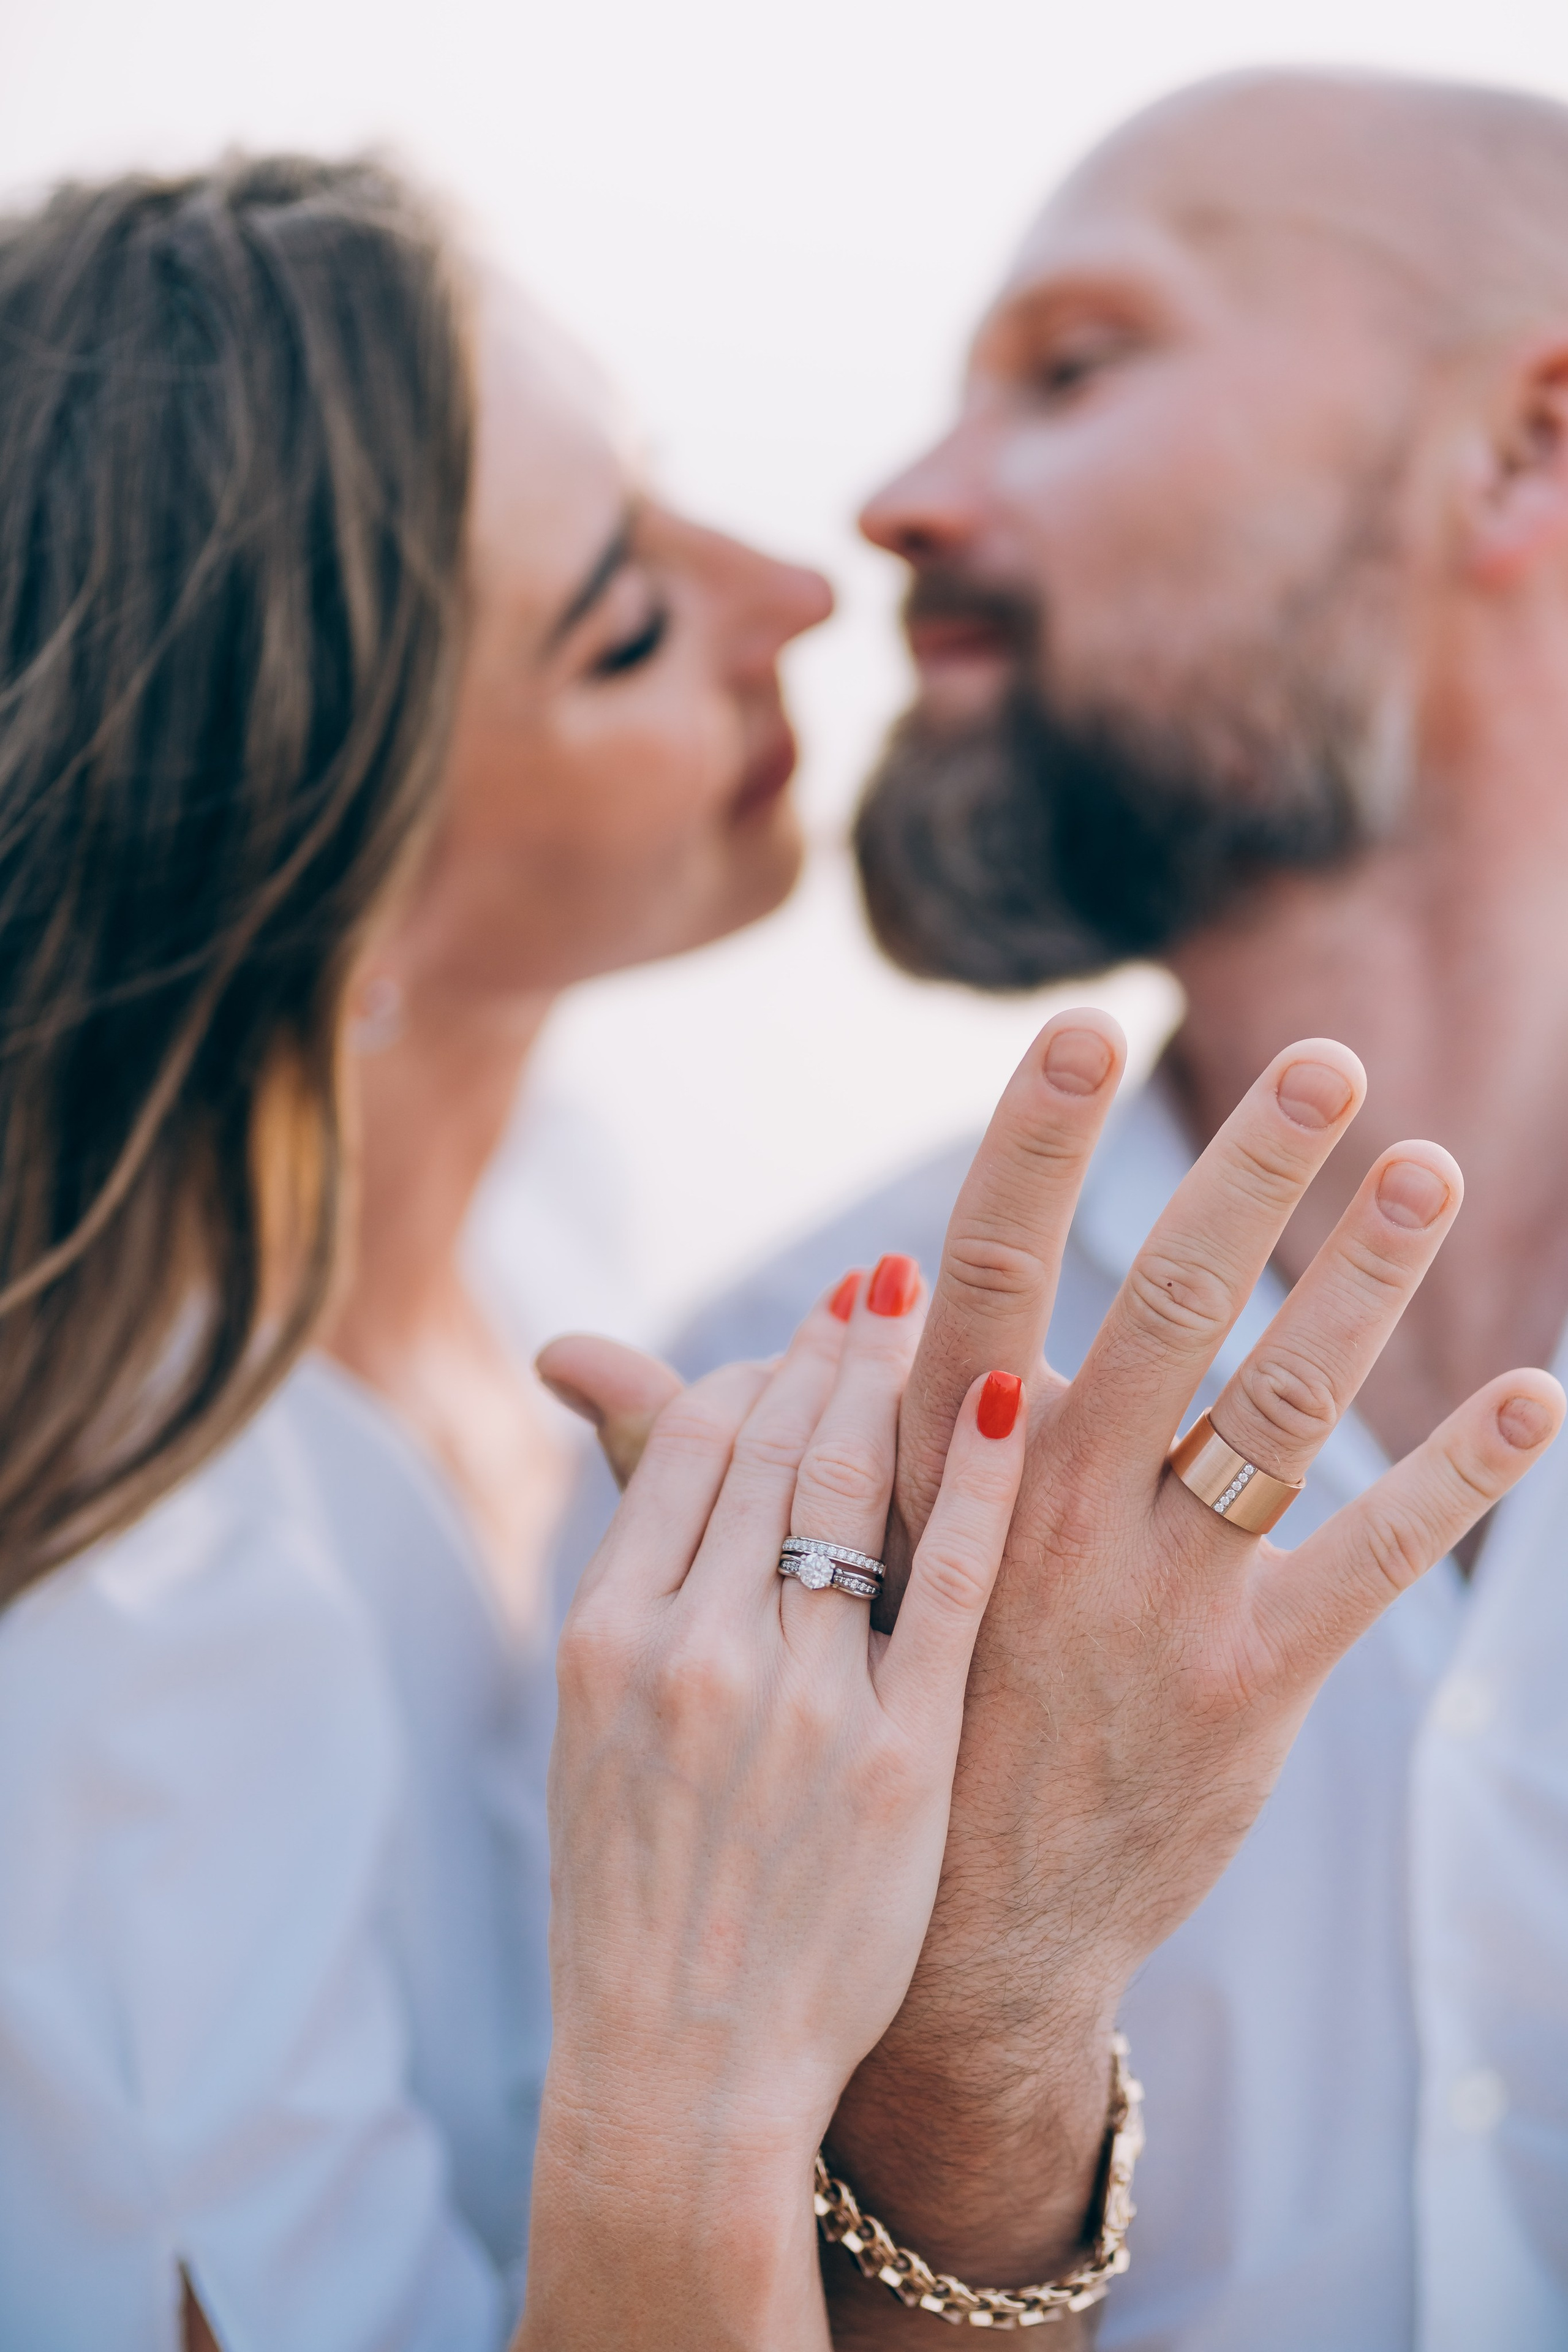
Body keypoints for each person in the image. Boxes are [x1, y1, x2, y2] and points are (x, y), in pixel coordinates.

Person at [0, 123, 1553, 2352]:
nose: (839, 562)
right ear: (325, 883)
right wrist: (913, 2024)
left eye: (1076, 368)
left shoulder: (560, 1266)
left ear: (1528, 446)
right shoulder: (682, 1420)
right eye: (625, 620)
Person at [580, 62, 1568, 2352]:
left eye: (1073, 368)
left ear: (1524, 453)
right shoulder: (759, 1423)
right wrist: (977, 2031)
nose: (900, 502)